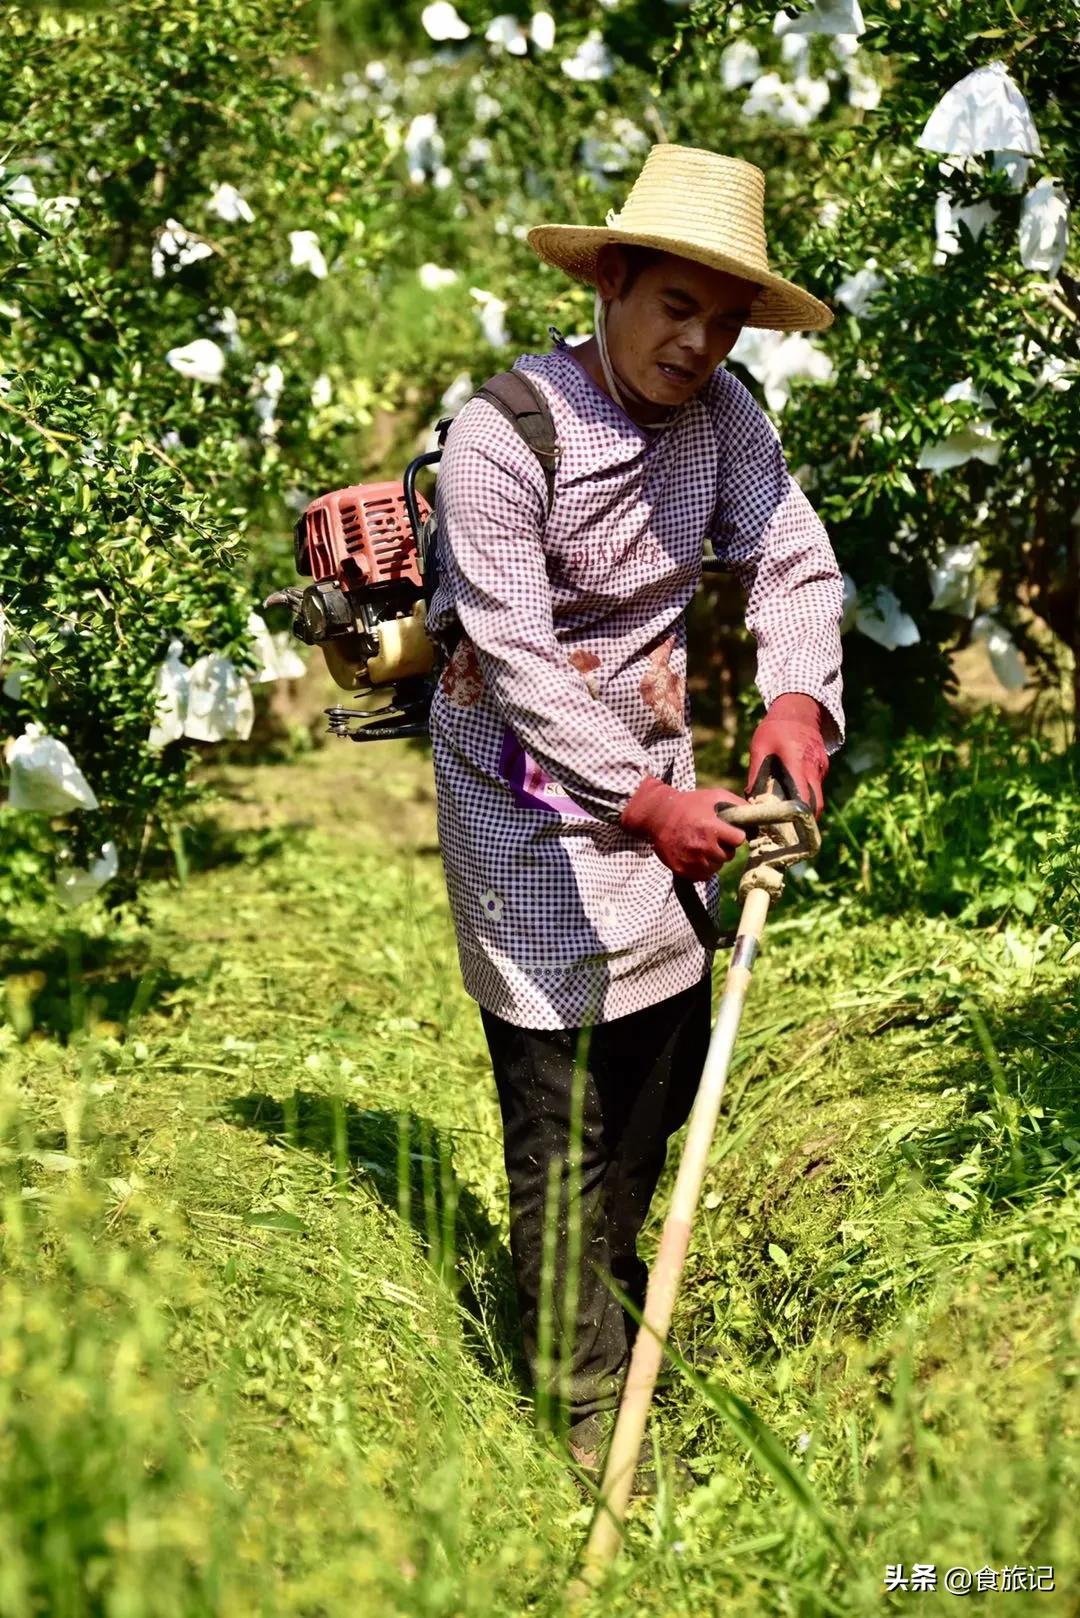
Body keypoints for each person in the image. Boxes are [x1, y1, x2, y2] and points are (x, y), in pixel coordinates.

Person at [424, 144, 845, 1487]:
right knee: (559, 1102)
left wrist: (794, 710)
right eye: (676, 303)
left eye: (725, 319)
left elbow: (790, 556)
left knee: (654, 1060)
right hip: (523, 790)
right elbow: (523, 660)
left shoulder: (724, 418)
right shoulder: (504, 435)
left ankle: (592, 1284)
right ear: (610, 279)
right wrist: (646, 800)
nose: (700, 340)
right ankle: (588, 1406)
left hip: (658, 778)